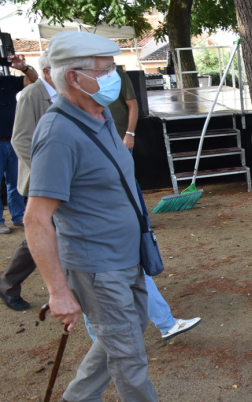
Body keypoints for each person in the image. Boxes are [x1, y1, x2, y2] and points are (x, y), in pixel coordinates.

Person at [24, 30, 205, 402]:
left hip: (127, 254)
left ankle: (81, 394)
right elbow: (36, 220)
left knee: (129, 327)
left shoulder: (99, 116)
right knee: (126, 348)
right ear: (74, 77)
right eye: (105, 71)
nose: (113, 78)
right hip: (96, 263)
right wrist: (58, 292)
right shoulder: (58, 133)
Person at [81, 65, 202, 341]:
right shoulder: (67, 126)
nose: (110, 73)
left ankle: (165, 323)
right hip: (93, 226)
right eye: (102, 68)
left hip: (117, 215)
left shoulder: (104, 119)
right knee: (96, 285)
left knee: (135, 268)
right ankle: (105, 345)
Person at [0, 52, 54, 311]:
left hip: (61, 177)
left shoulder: (60, 93)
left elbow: (29, 77)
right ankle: (8, 284)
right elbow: (20, 139)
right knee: (42, 233)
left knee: (51, 232)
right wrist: (44, 172)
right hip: (45, 179)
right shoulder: (34, 95)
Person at [0, 54, 38, 234]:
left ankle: (18, 216)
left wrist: (23, 67)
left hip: (13, 141)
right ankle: (0, 221)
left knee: (16, 181)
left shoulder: (7, 81)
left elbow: (34, 79)